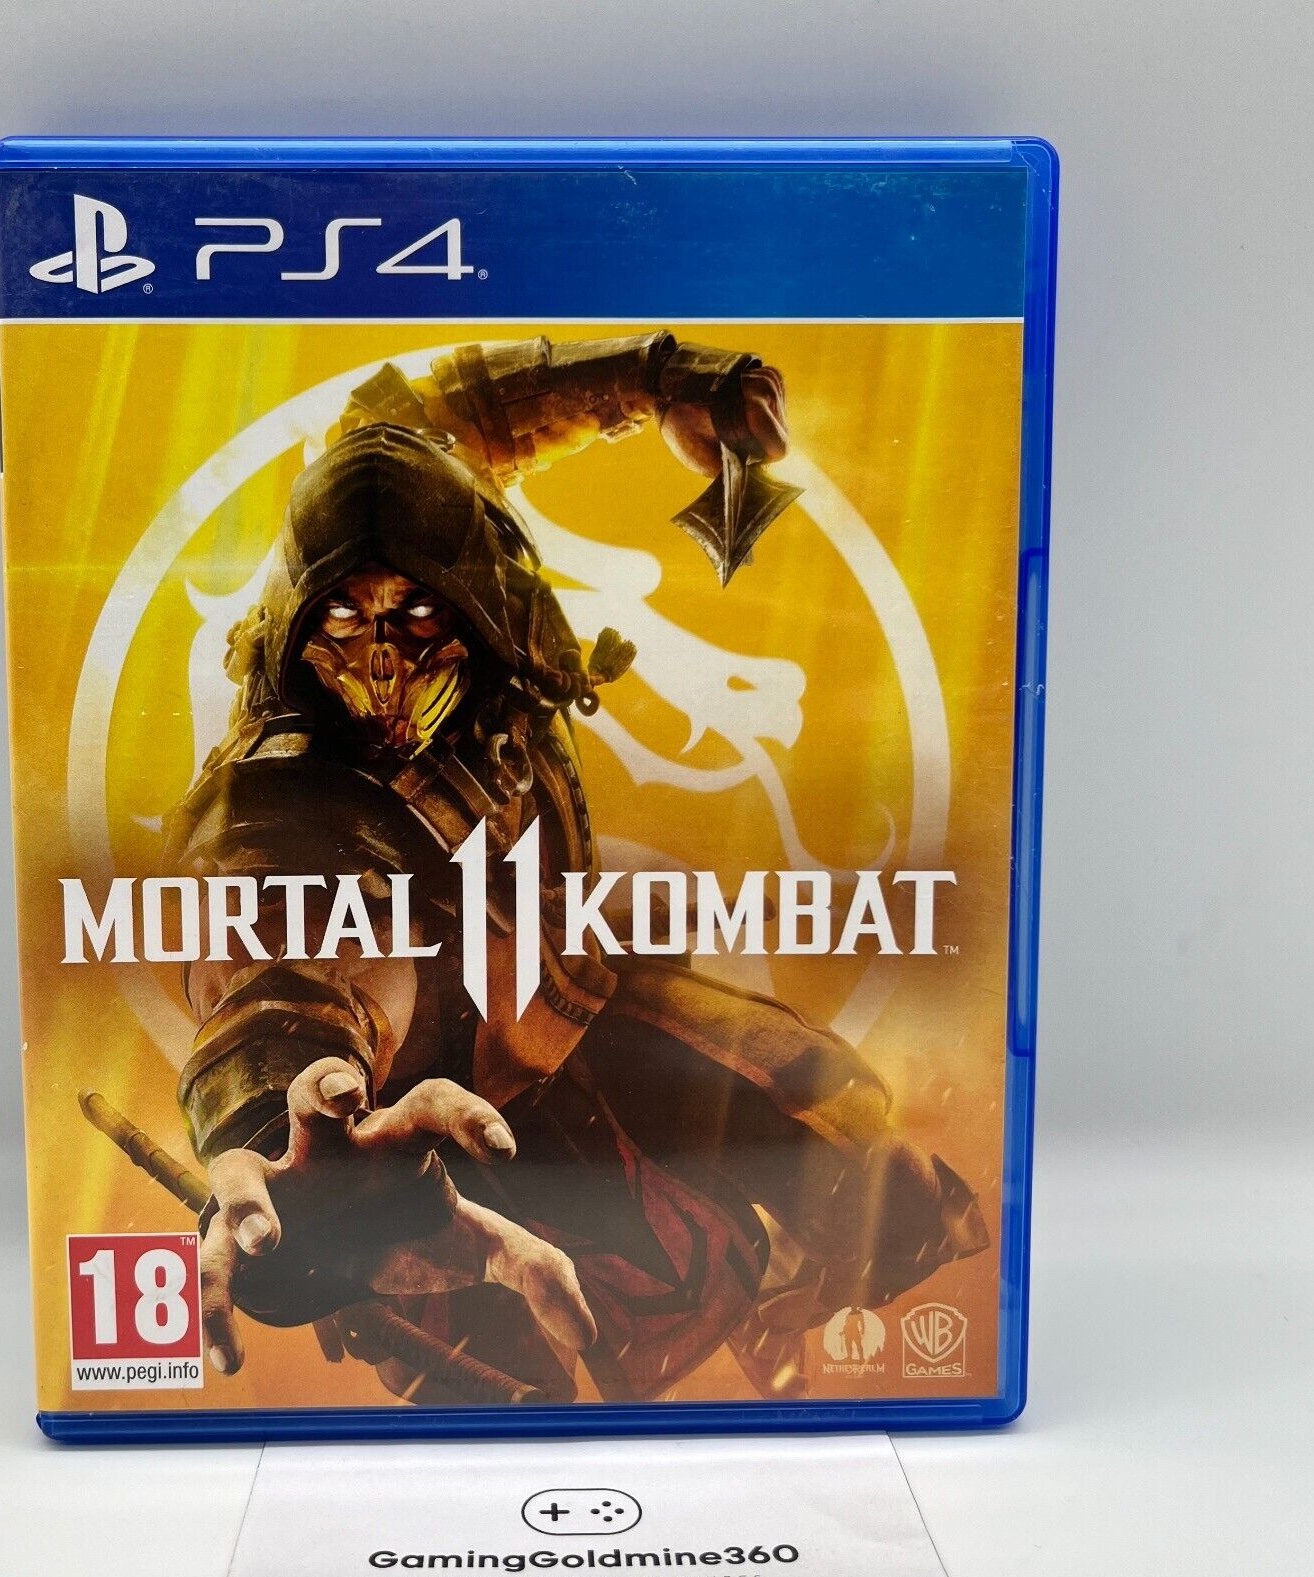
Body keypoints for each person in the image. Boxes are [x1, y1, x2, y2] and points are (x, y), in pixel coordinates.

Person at [164, 334, 988, 1402]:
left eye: (414, 613)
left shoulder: (400, 475)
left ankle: (780, 1287)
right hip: (447, 1094)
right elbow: (281, 968)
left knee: (862, 1159)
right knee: (546, 1338)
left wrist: (653, 378)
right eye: (345, 616)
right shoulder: (283, 796)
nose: (379, 659)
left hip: (561, 980)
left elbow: (458, 412)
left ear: (474, 594)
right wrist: (279, 1134)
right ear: (299, 619)